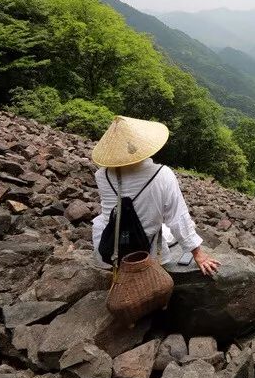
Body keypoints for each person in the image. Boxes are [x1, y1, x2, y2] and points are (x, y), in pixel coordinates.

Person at [90, 115, 220, 276]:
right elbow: (177, 217)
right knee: (168, 226)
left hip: (111, 247)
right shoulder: (162, 174)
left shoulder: (102, 175)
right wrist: (198, 254)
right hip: (144, 251)